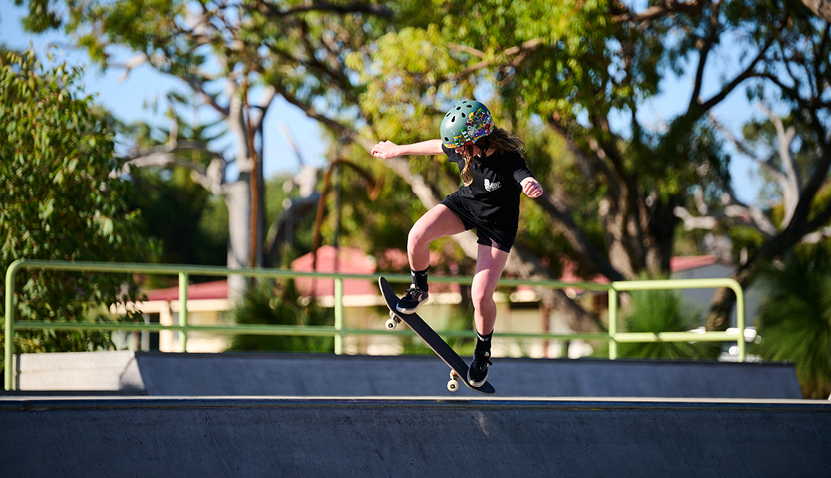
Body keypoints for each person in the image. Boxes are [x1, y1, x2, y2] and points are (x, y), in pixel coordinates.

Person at [371, 99, 543, 387]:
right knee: (416, 235)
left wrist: (529, 184)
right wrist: (398, 149)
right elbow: (436, 146)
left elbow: (523, 174)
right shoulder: (464, 145)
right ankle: (419, 289)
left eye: (462, 147)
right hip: (465, 205)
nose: (458, 152)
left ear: (479, 139)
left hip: (498, 228)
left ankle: (482, 353)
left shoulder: (508, 157)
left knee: (480, 296)